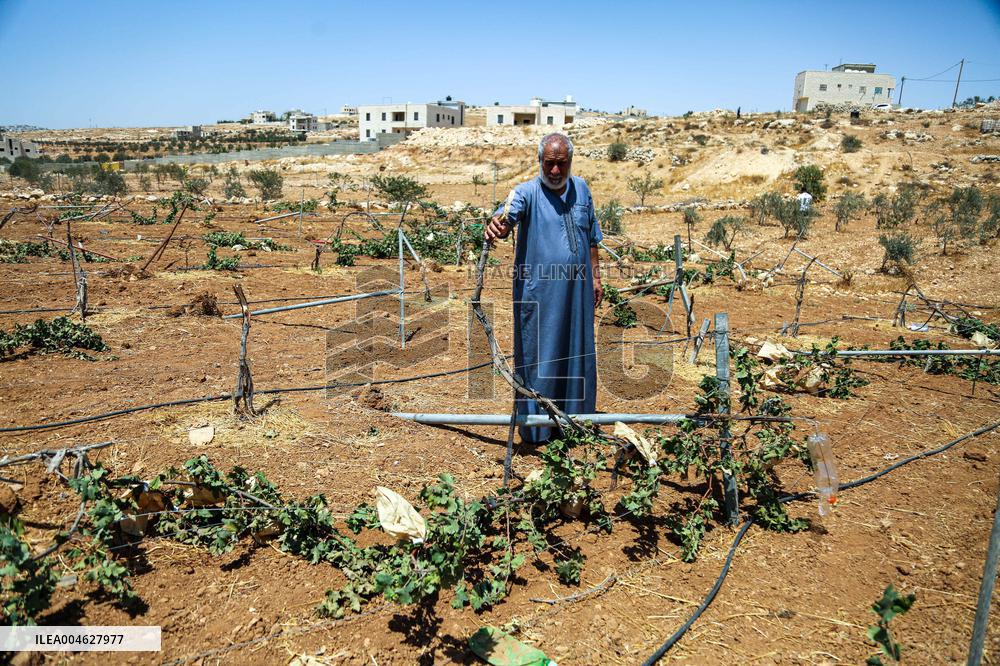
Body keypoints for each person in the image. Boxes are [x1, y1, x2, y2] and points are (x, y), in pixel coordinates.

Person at [484, 133, 603, 444]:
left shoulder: (582, 189)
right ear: (540, 162)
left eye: (560, 164)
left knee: (577, 352)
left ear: (570, 163)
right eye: (549, 163)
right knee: (541, 355)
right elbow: (506, 214)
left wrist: (597, 277)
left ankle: (576, 422)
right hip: (540, 293)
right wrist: (499, 223)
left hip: (577, 292)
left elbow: (591, 237)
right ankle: (537, 429)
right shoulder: (527, 193)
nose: (554, 171)